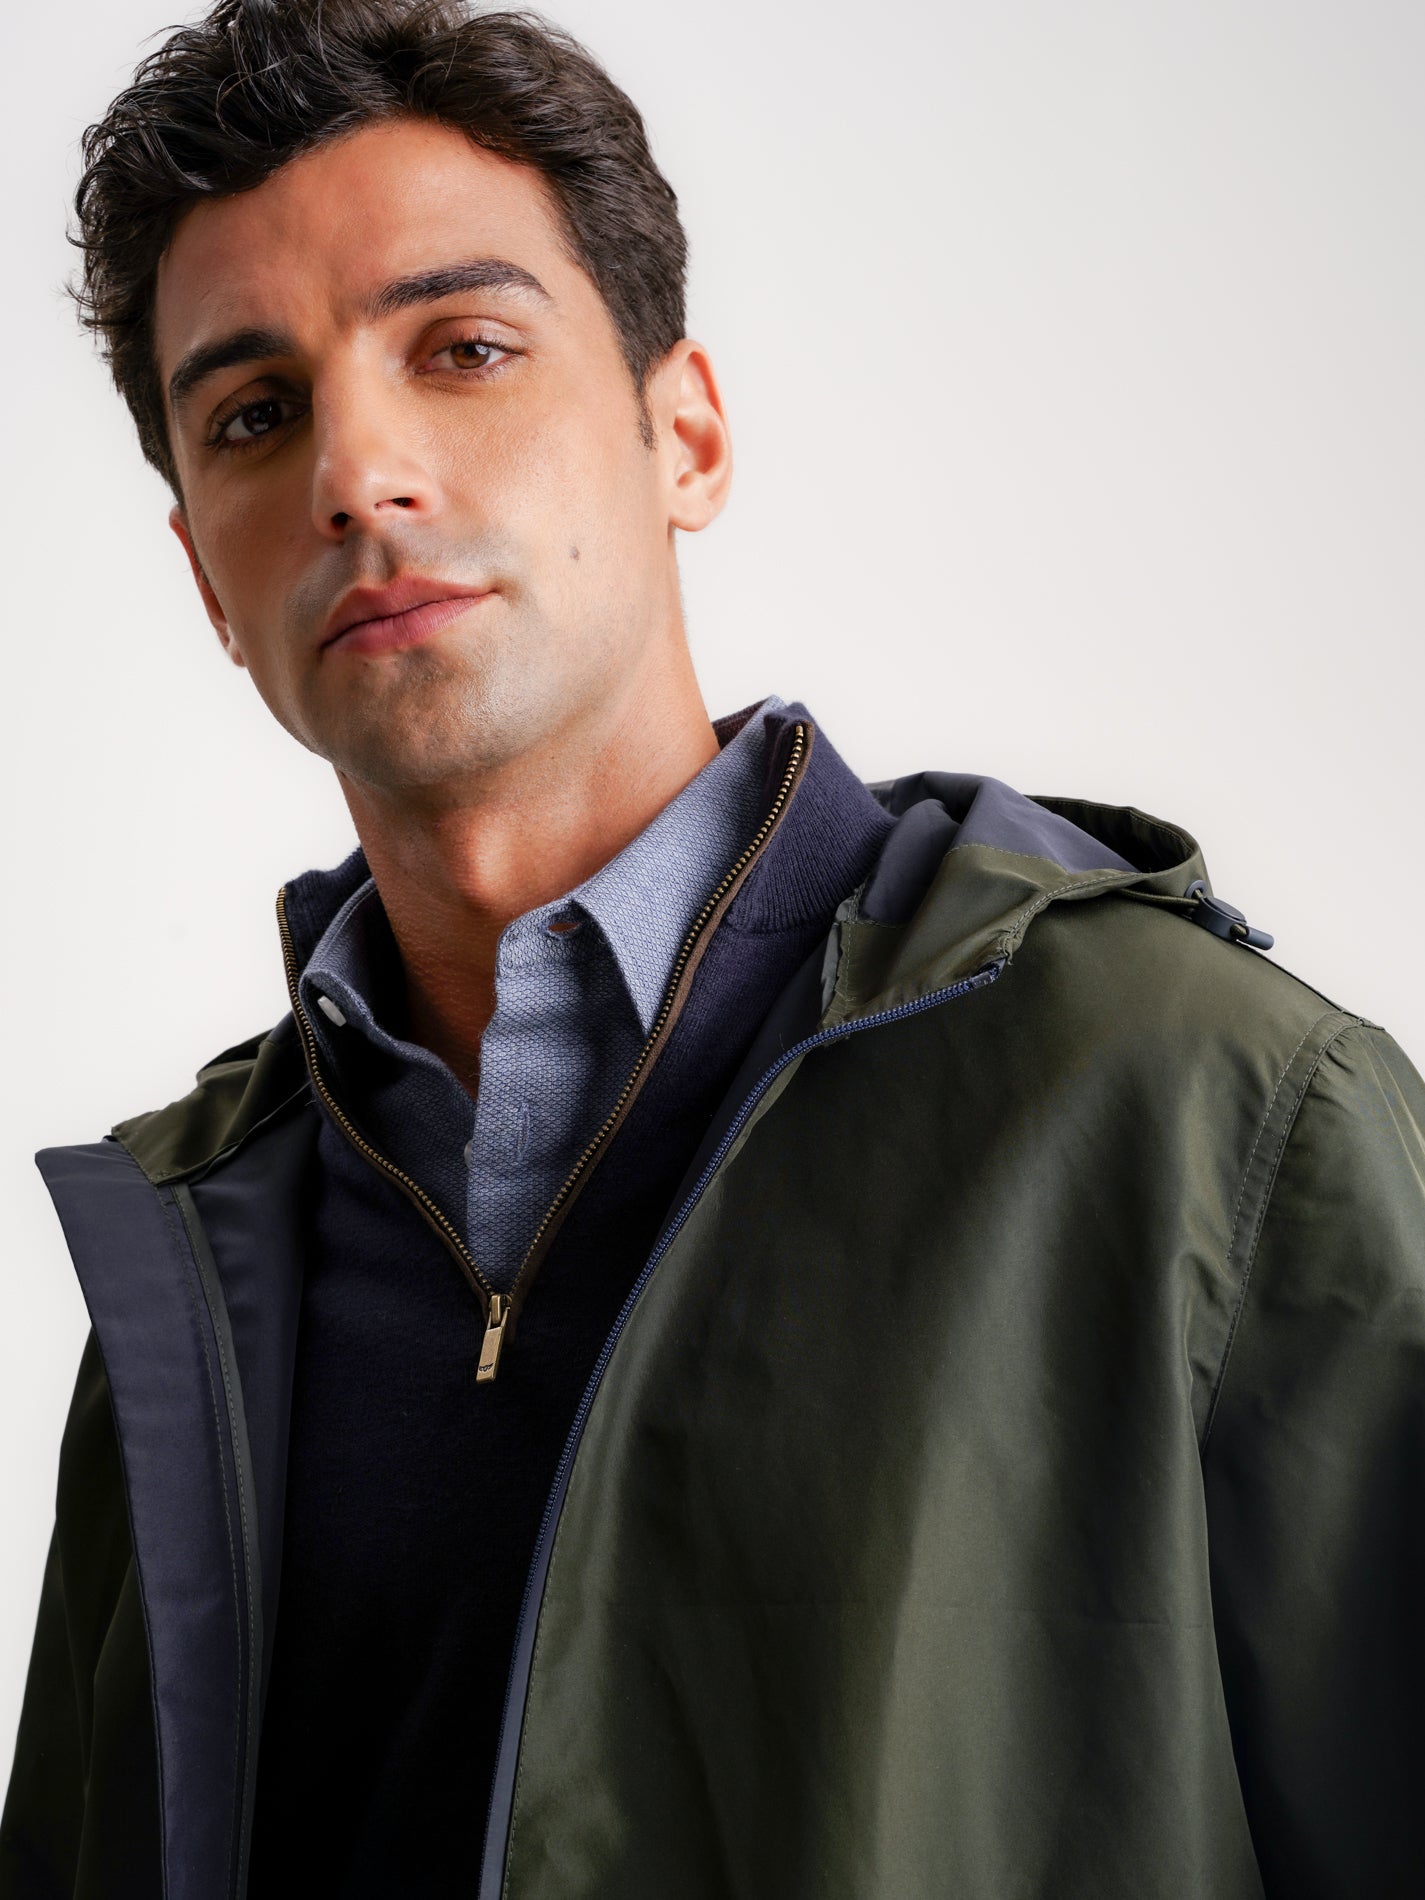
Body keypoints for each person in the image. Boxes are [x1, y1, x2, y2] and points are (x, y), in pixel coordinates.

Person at [3, 1, 1422, 1895]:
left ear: (684, 434)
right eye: (254, 413)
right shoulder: (196, 1256)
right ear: (205, 576)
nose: (357, 470)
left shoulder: (1204, 1109)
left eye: (464, 348)